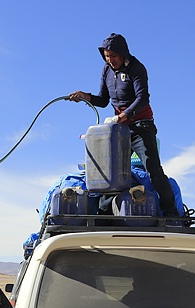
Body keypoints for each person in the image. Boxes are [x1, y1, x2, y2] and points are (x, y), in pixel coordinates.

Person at [70, 33, 181, 219]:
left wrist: (125, 115)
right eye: (107, 56)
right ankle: (104, 214)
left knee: (152, 168)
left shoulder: (137, 68)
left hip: (141, 126)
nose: (110, 60)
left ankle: (171, 213)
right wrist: (84, 96)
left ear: (123, 54)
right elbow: (103, 100)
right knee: (109, 171)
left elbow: (143, 98)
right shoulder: (106, 70)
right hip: (120, 129)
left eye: (113, 56)